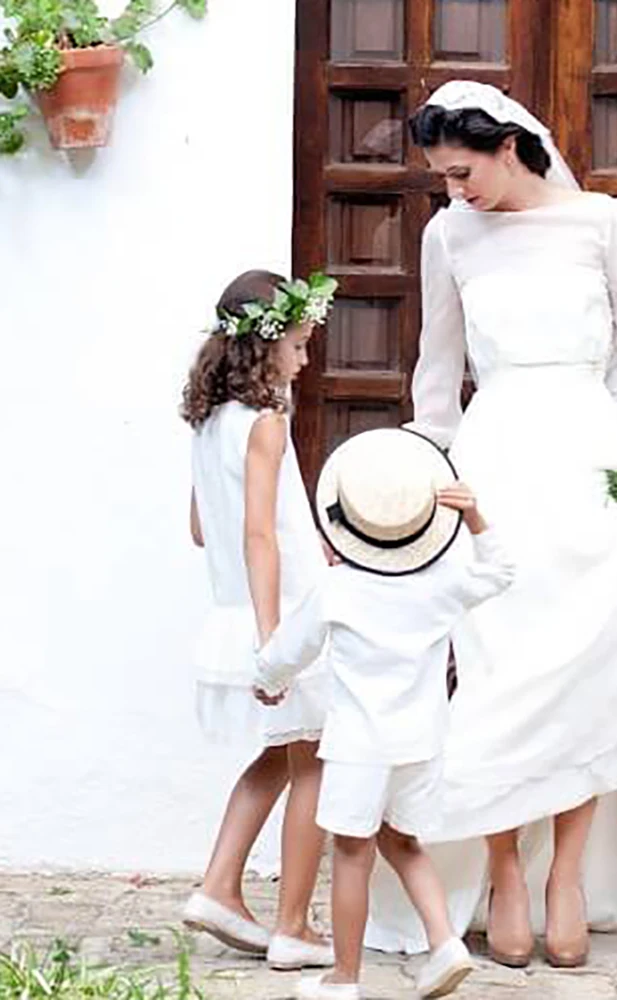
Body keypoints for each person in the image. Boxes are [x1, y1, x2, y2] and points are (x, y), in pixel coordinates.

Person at [365, 80, 617, 967]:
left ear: (509, 148)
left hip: (590, 458)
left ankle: (566, 875)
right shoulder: (448, 234)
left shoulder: (603, 222)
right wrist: (430, 474)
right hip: (500, 460)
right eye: (441, 178)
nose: (454, 190)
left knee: (593, 668)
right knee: (501, 676)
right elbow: (438, 367)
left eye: (463, 172)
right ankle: (503, 868)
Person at [253, 428, 516, 1000]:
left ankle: (343, 978)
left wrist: (266, 682)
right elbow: (501, 573)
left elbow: (287, 652)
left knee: (352, 853)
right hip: (421, 741)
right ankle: (445, 943)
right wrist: (474, 517)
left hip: (358, 747)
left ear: (346, 523)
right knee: (404, 843)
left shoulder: (338, 589)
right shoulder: (441, 583)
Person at [179, 269, 337, 970]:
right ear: (266, 348)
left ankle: (218, 886)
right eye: (299, 346)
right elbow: (255, 537)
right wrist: (275, 643)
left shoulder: (211, 421)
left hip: (239, 608)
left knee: (281, 757)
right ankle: (295, 925)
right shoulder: (267, 424)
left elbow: (199, 528)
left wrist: (302, 533)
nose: (304, 361)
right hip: (281, 618)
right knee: (317, 765)